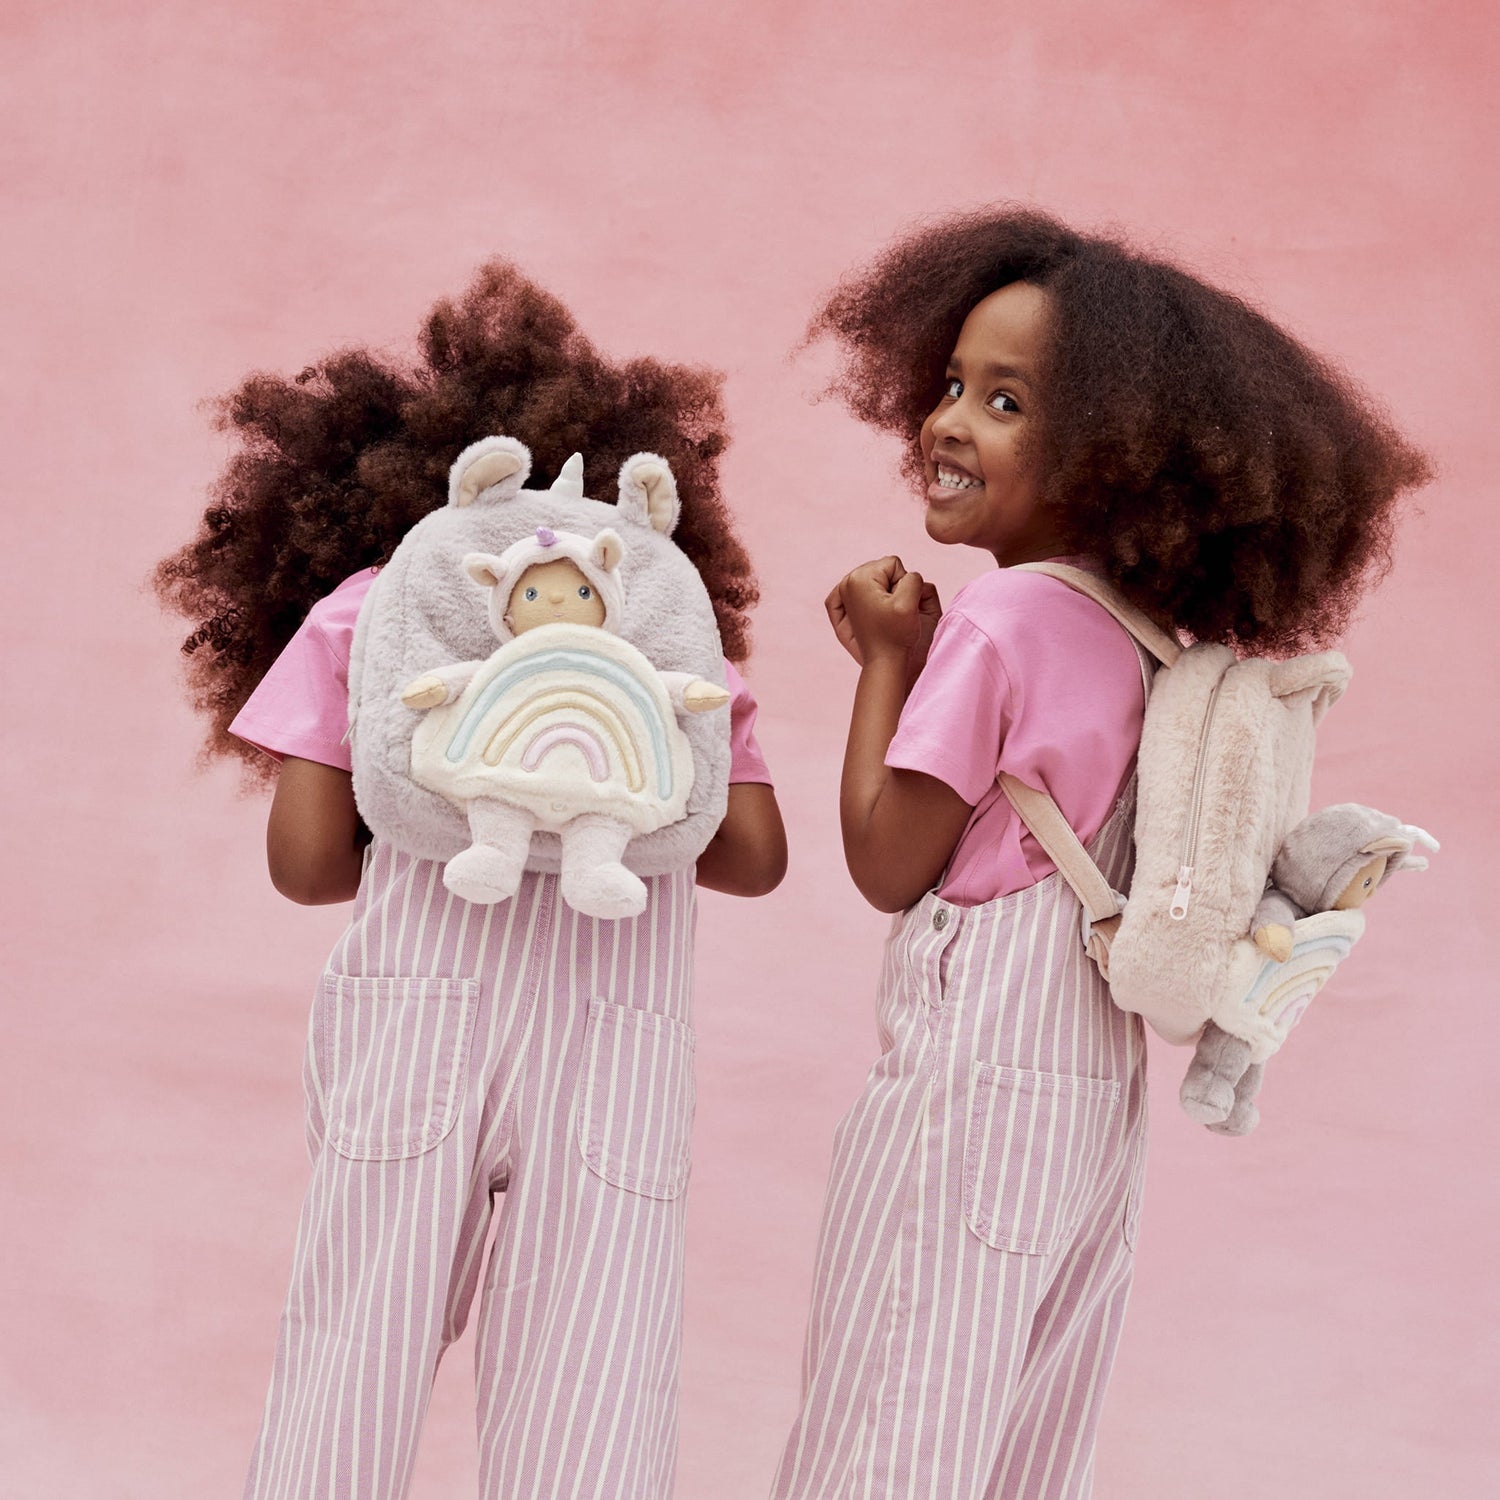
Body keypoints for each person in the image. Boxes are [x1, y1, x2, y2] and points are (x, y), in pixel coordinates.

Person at [769, 206, 1429, 1500]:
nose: (948, 421)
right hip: (1086, 1087)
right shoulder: (1145, 637)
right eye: (951, 384)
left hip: (975, 1075)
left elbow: (888, 861)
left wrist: (888, 662)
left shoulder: (1003, 618)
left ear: (1115, 459)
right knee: (1025, 1437)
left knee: (890, 1414)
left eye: (1006, 403)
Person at [156, 261, 787, 1500]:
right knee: (594, 1385)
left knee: (350, 1356)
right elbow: (751, 857)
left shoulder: (366, 609)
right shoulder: (660, 630)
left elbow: (306, 868)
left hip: (417, 1024)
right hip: (615, 1039)